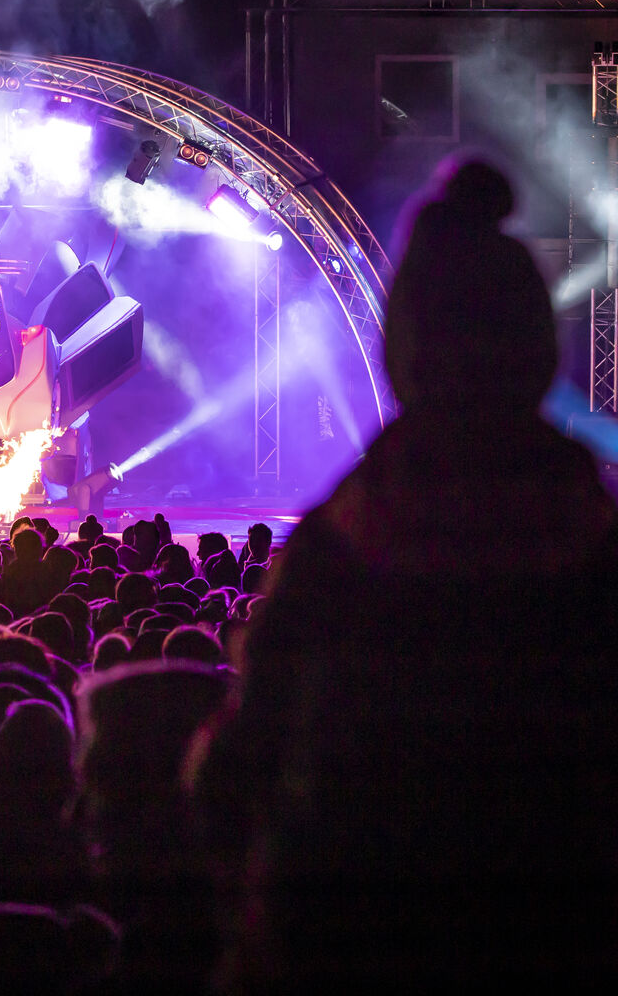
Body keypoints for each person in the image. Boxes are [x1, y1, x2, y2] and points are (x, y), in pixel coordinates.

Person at [202, 156, 618, 990]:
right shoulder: (591, 529)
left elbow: (239, 768)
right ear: (536, 344)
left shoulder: (353, 535)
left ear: (407, 347)